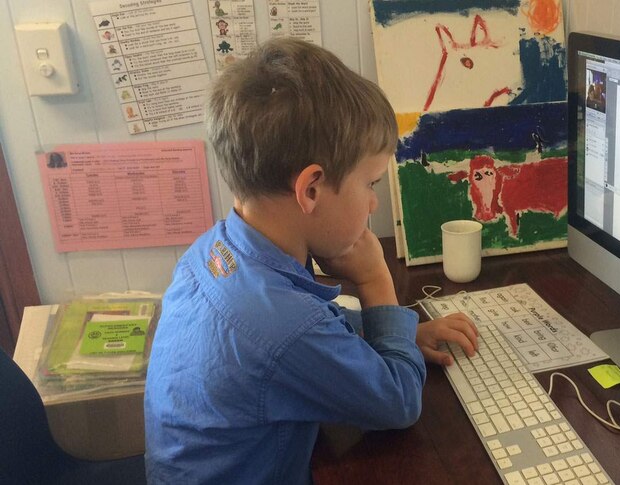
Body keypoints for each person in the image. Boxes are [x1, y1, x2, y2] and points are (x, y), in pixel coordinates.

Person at [144, 38, 479, 484]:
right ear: (312, 190)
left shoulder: (213, 253)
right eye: (371, 184)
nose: (373, 205)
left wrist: (398, 331)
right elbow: (397, 404)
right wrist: (377, 281)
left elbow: (306, 331)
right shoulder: (282, 328)